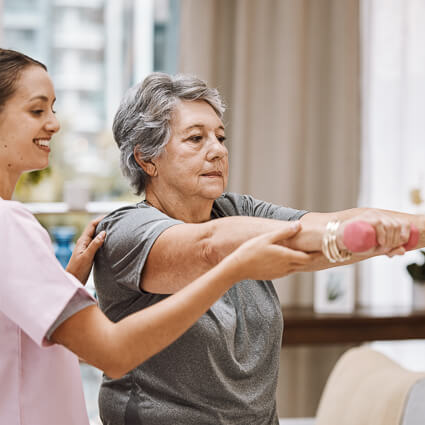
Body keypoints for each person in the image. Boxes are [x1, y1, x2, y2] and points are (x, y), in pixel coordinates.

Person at [0, 49, 314, 425]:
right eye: (37, 111)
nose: (54, 124)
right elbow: (112, 352)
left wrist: (65, 284)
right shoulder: (9, 225)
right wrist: (233, 269)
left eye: (53, 109)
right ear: (147, 160)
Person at [93, 72, 425, 425]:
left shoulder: (237, 210)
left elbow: (331, 223)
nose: (218, 150)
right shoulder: (126, 231)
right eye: (196, 138)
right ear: (146, 159)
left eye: (220, 137)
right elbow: (210, 247)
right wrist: (347, 235)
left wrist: (389, 229)